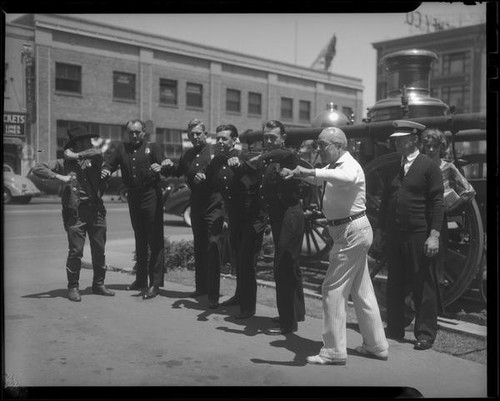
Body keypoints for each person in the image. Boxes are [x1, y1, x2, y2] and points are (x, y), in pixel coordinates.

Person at [282, 126, 389, 365]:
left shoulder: (349, 166)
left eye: (322, 145)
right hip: (351, 231)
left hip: (351, 232)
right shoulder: (333, 167)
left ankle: (333, 350)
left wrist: (310, 171)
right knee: (362, 292)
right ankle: (376, 345)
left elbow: (346, 178)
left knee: (332, 288)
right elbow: (322, 178)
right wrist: (299, 173)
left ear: (338, 145)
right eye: (317, 145)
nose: (319, 149)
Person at [376, 120, 444, 351]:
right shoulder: (395, 166)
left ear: (414, 139)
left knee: (422, 283)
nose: (396, 143)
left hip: (418, 234)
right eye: (395, 139)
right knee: (395, 281)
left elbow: (437, 203)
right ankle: (394, 327)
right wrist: (380, 230)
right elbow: (386, 201)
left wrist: (433, 235)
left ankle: (425, 333)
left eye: (401, 139)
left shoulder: (428, 166)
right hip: (395, 234)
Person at [31, 126, 115, 302]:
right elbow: (37, 168)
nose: (90, 143)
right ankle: (73, 287)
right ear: (77, 143)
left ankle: (98, 284)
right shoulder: (63, 164)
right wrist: (59, 177)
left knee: (99, 250)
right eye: (85, 141)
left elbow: (97, 152)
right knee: (76, 251)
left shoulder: (93, 158)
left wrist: (75, 155)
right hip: (75, 212)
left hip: (96, 210)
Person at [248, 120, 305, 335]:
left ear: (283, 138)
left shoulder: (287, 155)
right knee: (291, 265)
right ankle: (296, 312)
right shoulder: (269, 160)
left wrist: (261, 156)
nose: (269, 141)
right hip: (279, 217)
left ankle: (288, 322)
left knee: (283, 266)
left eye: (273, 137)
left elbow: (283, 154)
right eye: (266, 137)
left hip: (291, 215)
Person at [161, 119, 223, 309]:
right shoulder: (187, 155)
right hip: (196, 205)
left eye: (198, 133)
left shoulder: (215, 152)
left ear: (206, 134)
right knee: (199, 246)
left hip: (214, 205)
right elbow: (179, 171)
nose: (195, 137)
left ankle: (213, 294)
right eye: (191, 134)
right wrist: (166, 165)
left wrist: (207, 177)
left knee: (213, 247)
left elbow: (223, 177)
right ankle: (201, 287)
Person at [101, 119, 165, 300]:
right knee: (140, 237)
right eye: (130, 132)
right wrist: (106, 170)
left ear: (144, 132)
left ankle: (155, 283)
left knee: (155, 239)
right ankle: (140, 280)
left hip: (151, 194)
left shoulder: (153, 148)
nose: (134, 135)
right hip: (133, 196)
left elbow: (165, 165)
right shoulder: (121, 148)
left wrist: (162, 166)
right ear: (126, 133)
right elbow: (110, 163)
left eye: (137, 132)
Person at [207, 124, 266, 319]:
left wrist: (240, 167)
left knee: (248, 262)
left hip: (252, 218)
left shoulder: (245, 158)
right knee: (238, 260)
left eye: (225, 139)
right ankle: (240, 297)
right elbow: (216, 187)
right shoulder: (216, 162)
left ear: (234, 141)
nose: (221, 142)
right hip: (235, 218)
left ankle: (248, 307)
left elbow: (253, 182)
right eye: (219, 139)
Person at [420, 127, 476, 298]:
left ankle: (436, 304)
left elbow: (468, 191)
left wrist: (450, 208)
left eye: (434, 147)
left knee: (437, 261)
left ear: (441, 148)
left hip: (438, 220)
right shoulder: (418, 164)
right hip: (419, 217)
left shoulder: (448, 167)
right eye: (428, 146)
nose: (430, 150)